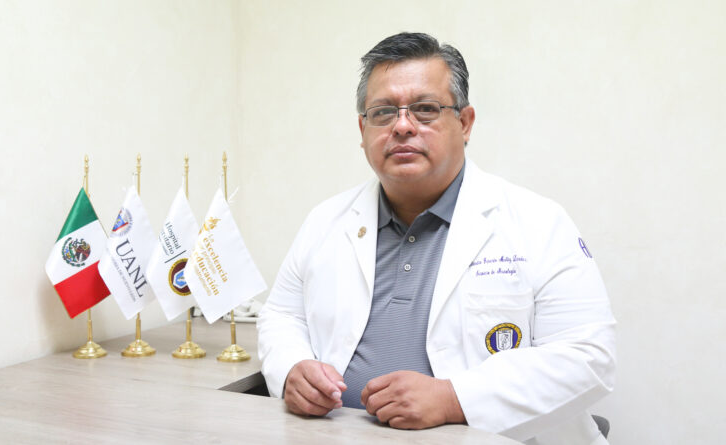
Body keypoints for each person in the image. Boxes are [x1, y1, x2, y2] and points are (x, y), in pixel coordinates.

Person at [257, 32, 615, 445]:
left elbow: (589, 357)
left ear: (464, 123)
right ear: (362, 128)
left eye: (425, 109)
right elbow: (282, 316)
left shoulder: (537, 222)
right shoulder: (325, 220)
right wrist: (292, 367)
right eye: (383, 112)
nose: (402, 126)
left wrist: (453, 399)